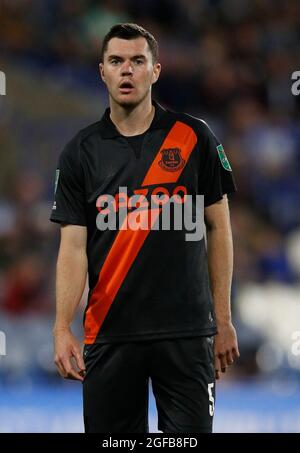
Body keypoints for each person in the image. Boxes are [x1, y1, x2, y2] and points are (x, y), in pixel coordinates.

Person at [50, 23, 239, 433]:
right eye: (117, 61)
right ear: (102, 71)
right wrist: (62, 326)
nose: (127, 71)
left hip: (187, 333)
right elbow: (72, 247)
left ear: (156, 70)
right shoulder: (80, 152)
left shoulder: (195, 138)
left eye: (138, 61)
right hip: (110, 334)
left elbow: (219, 229)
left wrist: (223, 320)